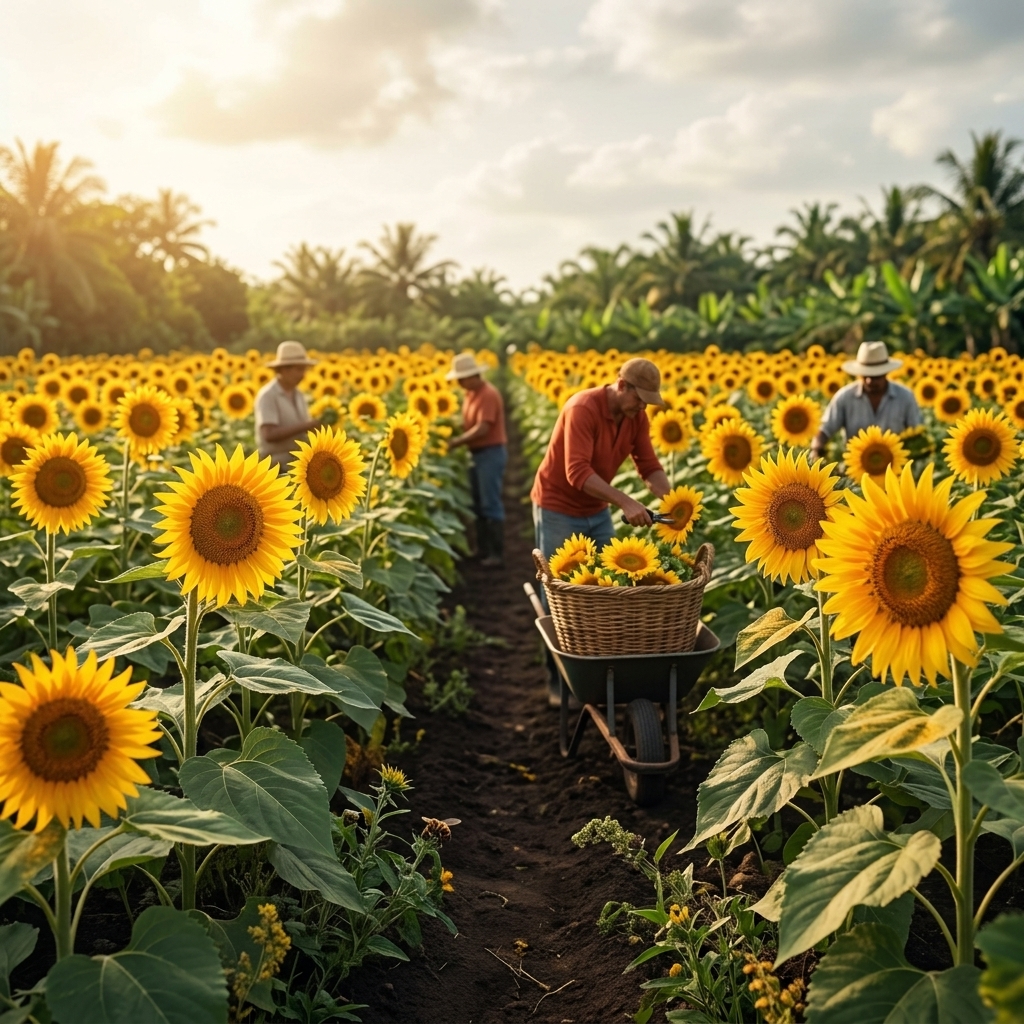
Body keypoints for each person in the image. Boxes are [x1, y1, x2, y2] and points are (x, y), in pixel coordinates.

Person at [810, 341, 921, 460]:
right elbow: (825, 430)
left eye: (875, 376)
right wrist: (816, 449)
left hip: (897, 468)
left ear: (886, 373)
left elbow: (917, 434)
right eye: (865, 375)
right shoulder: (845, 397)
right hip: (856, 468)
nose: (869, 381)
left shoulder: (904, 397)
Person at [446, 353, 508, 567]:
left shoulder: (488, 394)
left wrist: (457, 441)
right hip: (477, 454)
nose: (459, 383)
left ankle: (496, 554)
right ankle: (482, 549)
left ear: (473, 375)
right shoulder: (470, 394)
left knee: (490, 503)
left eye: (462, 379)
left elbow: (483, 427)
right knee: (479, 503)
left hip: (490, 453)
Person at [255, 341, 320, 471]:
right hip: (275, 466)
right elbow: (269, 434)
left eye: (303, 370)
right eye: (299, 370)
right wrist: (306, 426)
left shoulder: (299, 395)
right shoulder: (268, 395)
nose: (302, 375)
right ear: (284, 369)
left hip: (298, 462)